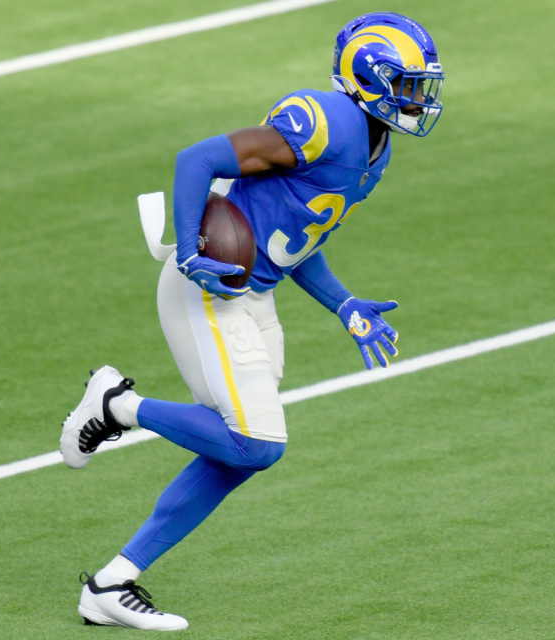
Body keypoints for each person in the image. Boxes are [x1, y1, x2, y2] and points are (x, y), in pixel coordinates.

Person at [59, 12, 444, 631]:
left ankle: (111, 584)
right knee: (257, 441)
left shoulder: (376, 149)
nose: (419, 99)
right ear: (370, 77)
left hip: (251, 294)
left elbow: (295, 238)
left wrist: (344, 305)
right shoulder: (322, 120)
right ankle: (116, 406)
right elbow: (198, 158)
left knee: (240, 453)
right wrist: (189, 251)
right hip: (208, 285)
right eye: (408, 84)